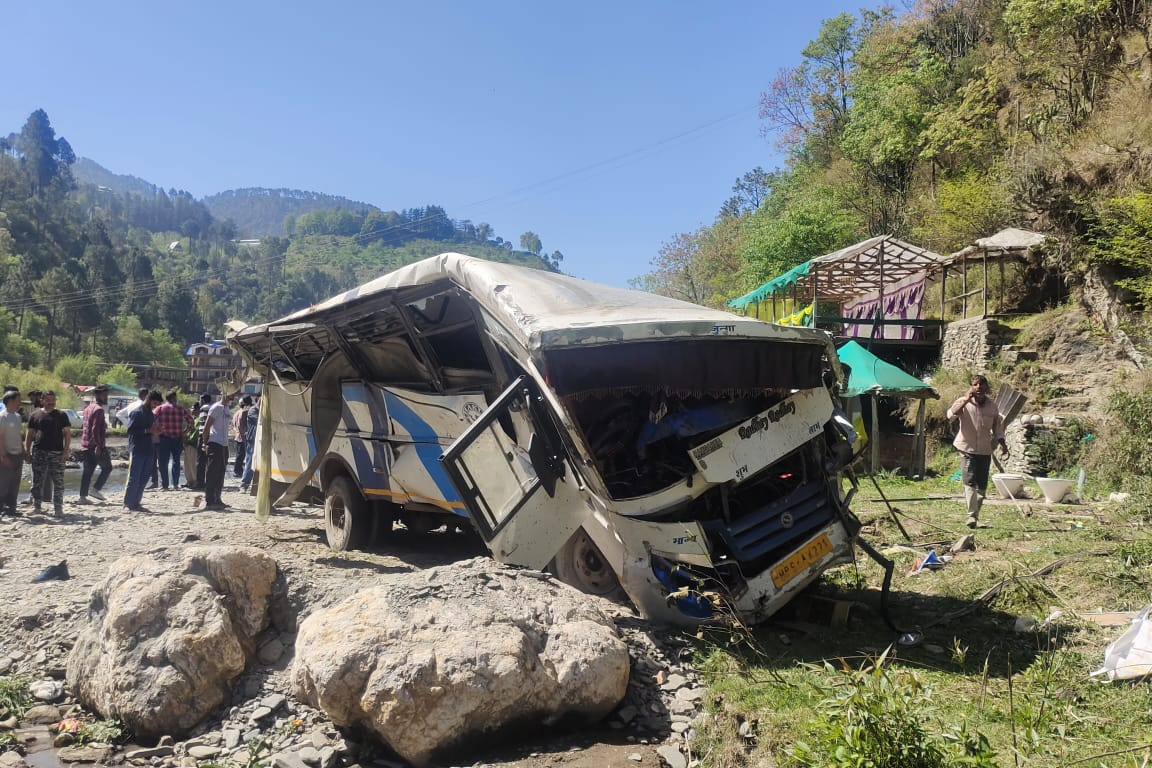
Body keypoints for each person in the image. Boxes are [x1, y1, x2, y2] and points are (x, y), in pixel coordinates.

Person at [947, 374, 1009, 528]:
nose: (978, 388)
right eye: (975, 385)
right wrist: (966, 400)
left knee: (981, 487)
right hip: (966, 447)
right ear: (971, 387)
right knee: (970, 481)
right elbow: (951, 415)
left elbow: (997, 429)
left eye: (981, 385)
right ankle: (971, 517)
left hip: (984, 450)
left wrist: (1003, 444)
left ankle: (975, 515)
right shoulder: (963, 402)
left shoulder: (992, 406)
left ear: (987, 388)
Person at [24, 391, 72, 517]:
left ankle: (58, 508)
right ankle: (36, 506)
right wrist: (27, 451)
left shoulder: (61, 415)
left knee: (58, 481)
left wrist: (66, 451)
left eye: (53, 399)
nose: (51, 402)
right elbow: (29, 435)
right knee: (37, 480)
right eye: (48, 399)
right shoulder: (35, 415)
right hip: (39, 451)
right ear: (42, 400)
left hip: (57, 452)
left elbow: (67, 434)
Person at [123, 390, 163, 512]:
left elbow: (151, 430)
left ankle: (136, 503)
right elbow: (130, 430)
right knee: (134, 477)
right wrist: (148, 431)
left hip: (148, 448)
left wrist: (156, 431)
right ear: (149, 400)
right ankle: (128, 504)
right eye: (155, 403)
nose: (156, 406)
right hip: (137, 448)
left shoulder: (151, 414)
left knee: (144, 477)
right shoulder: (137, 413)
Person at [153, 390, 194, 490]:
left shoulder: (160, 408)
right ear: (174, 398)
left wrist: (157, 430)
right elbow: (191, 421)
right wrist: (185, 431)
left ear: (166, 398)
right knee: (176, 461)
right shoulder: (180, 409)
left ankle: (165, 485)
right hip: (177, 438)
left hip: (164, 438)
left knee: (163, 462)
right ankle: (175, 484)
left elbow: (152, 419)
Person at [78, 385, 112, 503]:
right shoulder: (99, 409)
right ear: (98, 395)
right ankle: (95, 489)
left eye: (107, 395)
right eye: (104, 395)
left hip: (86, 445)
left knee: (87, 471)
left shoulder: (88, 408)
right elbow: (95, 429)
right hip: (96, 446)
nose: (106, 397)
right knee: (107, 468)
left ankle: (82, 497)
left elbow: (88, 426)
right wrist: (98, 446)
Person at [201, 394, 230, 510]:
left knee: (221, 473)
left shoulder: (227, 408)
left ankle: (217, 499)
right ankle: (209, 500)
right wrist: (204, 443)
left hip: (224, 444)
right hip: (215, 443)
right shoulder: (216, 407)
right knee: (212, 473)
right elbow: (207, 427)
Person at [0, 390, 26, 517]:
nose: (19, 402)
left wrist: (24, 451)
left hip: (18, 454)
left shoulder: (17, 416)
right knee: (3, 483)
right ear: (10, 401)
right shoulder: (2, 417)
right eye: (17, 400)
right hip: (6, 454)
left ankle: (12, 509)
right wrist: (3, 456)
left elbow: (18, 436)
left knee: (15, 483)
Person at [240, 395, 259, 493]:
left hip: (262, 441)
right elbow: (260, 421)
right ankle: (244, 485)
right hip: (253, 441)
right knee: (250, 463)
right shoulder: (253, 410)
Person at [232, 396, 252, 477]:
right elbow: (241, 426)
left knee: (239, 455)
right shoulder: (244, 412)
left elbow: (233, 425)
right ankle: (237, 471)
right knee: (241, 456)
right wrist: (244, 438)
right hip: (242, 437)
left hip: (237, 436)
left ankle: (238, 471)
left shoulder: (237, 412)